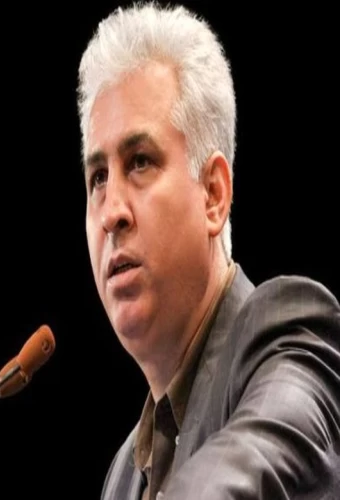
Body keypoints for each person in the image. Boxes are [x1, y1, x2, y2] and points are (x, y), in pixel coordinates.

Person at [76, 2, 340, 499]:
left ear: (214, 194)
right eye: (98, 178)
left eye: (140, 162)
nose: (112, 212)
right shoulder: (122, 477)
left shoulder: (286, 337)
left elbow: (258, 456)